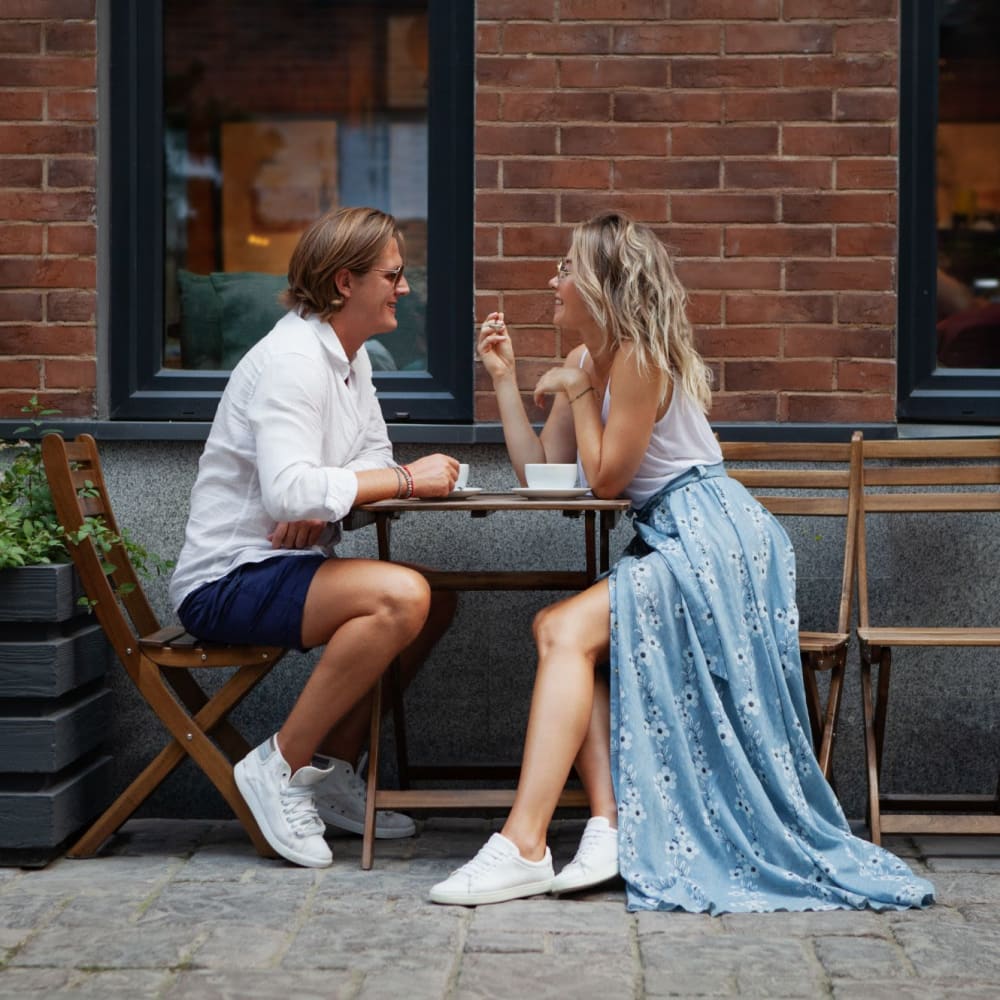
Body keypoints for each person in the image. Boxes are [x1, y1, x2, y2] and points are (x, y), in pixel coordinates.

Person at [430, 211, 935, 913]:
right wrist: (507, 380)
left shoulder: (638, 357)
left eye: (567, 268)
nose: (554, 279)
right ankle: (605, 826)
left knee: (563, 630)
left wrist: (578, 396)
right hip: (673, 534)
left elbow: (605, 482)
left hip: (715, 536)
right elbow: (547, 474)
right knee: (566, 633)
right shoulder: (585, 362)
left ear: (602, 286)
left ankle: (524, 843)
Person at [169, 206, 460, 869]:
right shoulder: (293, 362)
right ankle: (277, 766)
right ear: (342, 283)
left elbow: (359, 472)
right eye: (392, 274)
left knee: (434, 601)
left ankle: (330, 775)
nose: (405, 288)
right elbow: (314, 490)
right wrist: (387, 482)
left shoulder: (353, 364)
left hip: (281, 563)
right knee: (400, 597)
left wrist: (330, 494)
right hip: (227, 580)